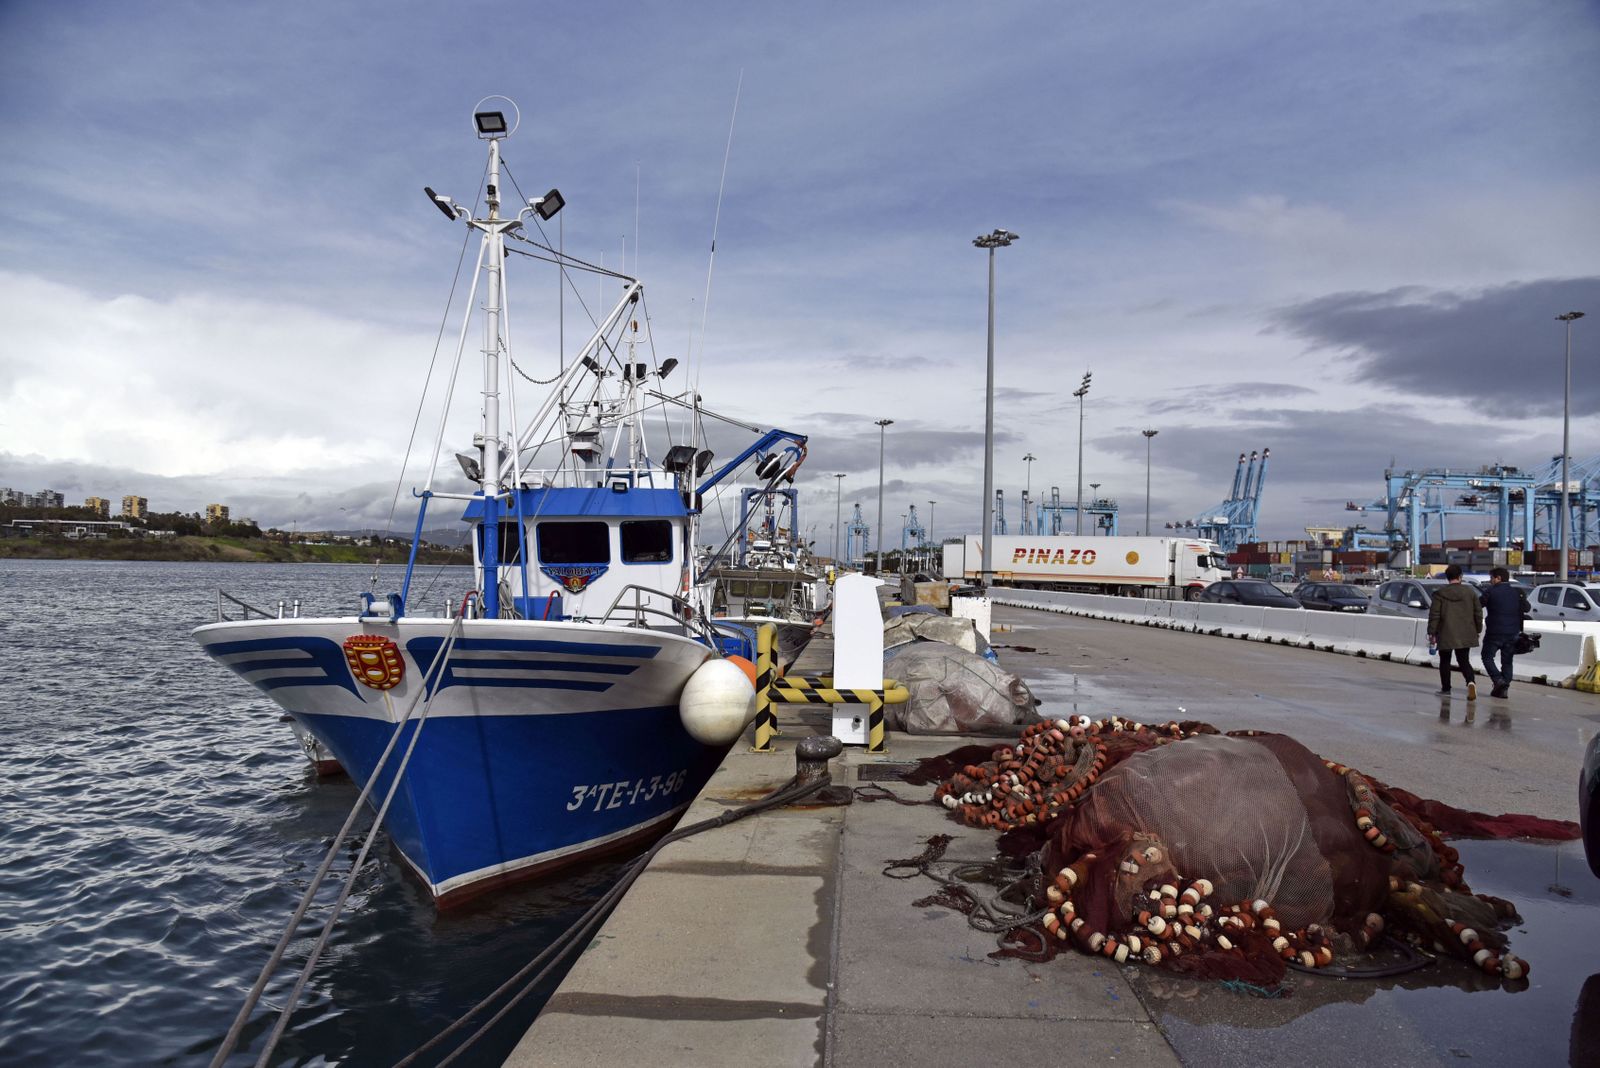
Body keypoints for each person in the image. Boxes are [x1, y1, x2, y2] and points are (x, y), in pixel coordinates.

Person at [1427, 563, 1482, 699]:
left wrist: (1431, 632)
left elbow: (1434, 615)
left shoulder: (1440, 594)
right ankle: (1470, 682)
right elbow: (1478, 613)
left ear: (1447, 577)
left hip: (1445, 632)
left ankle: (1446, 689)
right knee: (1464, 660)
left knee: (1445, 661)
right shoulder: (1470, 592)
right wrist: (1478, 629)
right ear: (1460, 576)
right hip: (1466, 632)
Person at [1480, 566, 1529, 699]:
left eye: (1491, 578)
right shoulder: (1516, 592)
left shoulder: (1490, 591)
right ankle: (1504, 688)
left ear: (1498, 578)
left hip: (1494, 632)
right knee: (1507, 661)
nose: (1490, 581)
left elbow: (1479, 604)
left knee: (1487, 657)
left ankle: (1498, 681)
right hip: (1513, 632)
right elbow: (1527, 608)